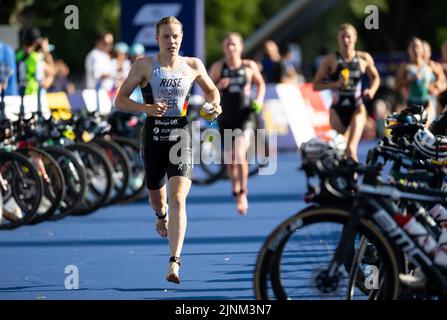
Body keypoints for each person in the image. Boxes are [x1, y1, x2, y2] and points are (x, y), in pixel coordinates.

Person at [115, 16, 222, 284]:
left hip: (180, 136)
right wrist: (147, 109)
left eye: (175, 36)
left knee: (178, 199)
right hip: (153, 137)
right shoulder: (144, 66)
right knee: (158, 199)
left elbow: (212, 92)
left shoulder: (193, 65)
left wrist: (214, 106)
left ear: (182, 38)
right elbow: (120, 100)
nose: (171, 41)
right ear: (157, 39)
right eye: (166, 36)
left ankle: (174, 262)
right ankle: (160, 217)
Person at [209, 32, 265, 215]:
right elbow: (207, 91)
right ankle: (236, 190)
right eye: (227, 45)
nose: (230, 48)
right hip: (226, 117)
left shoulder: (249, 66)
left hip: (245, 116)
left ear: (241, 47)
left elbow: (261, 84)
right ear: (224, 48)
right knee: (231, 161)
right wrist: (218, 86)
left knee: (239, 154)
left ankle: (242, 192)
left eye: (234, 44)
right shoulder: (219, 67)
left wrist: (259, 99)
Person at [313, 23, 380, 161]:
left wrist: (371, 90)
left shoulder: (364, 58)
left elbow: (376, 78)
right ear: (338, 39)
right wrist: (335, 84)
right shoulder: (331, 59)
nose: (345, 40)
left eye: (348, 37)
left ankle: (354, 180)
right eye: (342, 37)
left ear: (355, 38)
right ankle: (344, 181)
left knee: (351, 148)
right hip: (337, 110)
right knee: (340, 150)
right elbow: (316, 85)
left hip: (357, 108)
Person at [395, 37, 442, 126]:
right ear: (409, 50)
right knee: (413, 132)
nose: (415, 50)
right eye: (413, 47)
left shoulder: (430, 65)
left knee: (424, 130)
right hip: (411, 105)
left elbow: (442, 81)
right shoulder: (405, 67)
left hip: (427, 104)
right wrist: (411, 80)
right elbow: (396, 85)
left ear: (422, 49)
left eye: (417, 47)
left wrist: (436, 86)